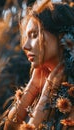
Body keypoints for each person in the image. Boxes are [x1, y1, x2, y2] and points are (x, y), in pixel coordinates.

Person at [4, 1, 74, 130]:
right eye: (26, 37)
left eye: (34, 35)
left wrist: (44, 100)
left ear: (62, 37)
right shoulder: (39, 84)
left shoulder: (70, 92)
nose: (25, 46)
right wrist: (33, 87)